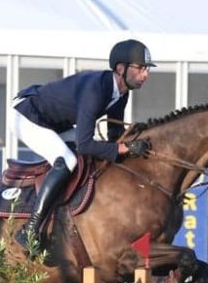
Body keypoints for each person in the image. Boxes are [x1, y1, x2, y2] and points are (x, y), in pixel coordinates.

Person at [11, 38, 154, 255]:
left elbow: (113, 137)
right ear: (121, 68)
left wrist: (132, 142)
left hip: (54, 123)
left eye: (146, 69)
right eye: (141, 68)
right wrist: (124, 149)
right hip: (27, 116)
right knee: (67, 160)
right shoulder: (96, 89)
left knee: (88, 160)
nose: (146, 75)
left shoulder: (122, 93)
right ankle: (30, 229)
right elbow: (86, 143)